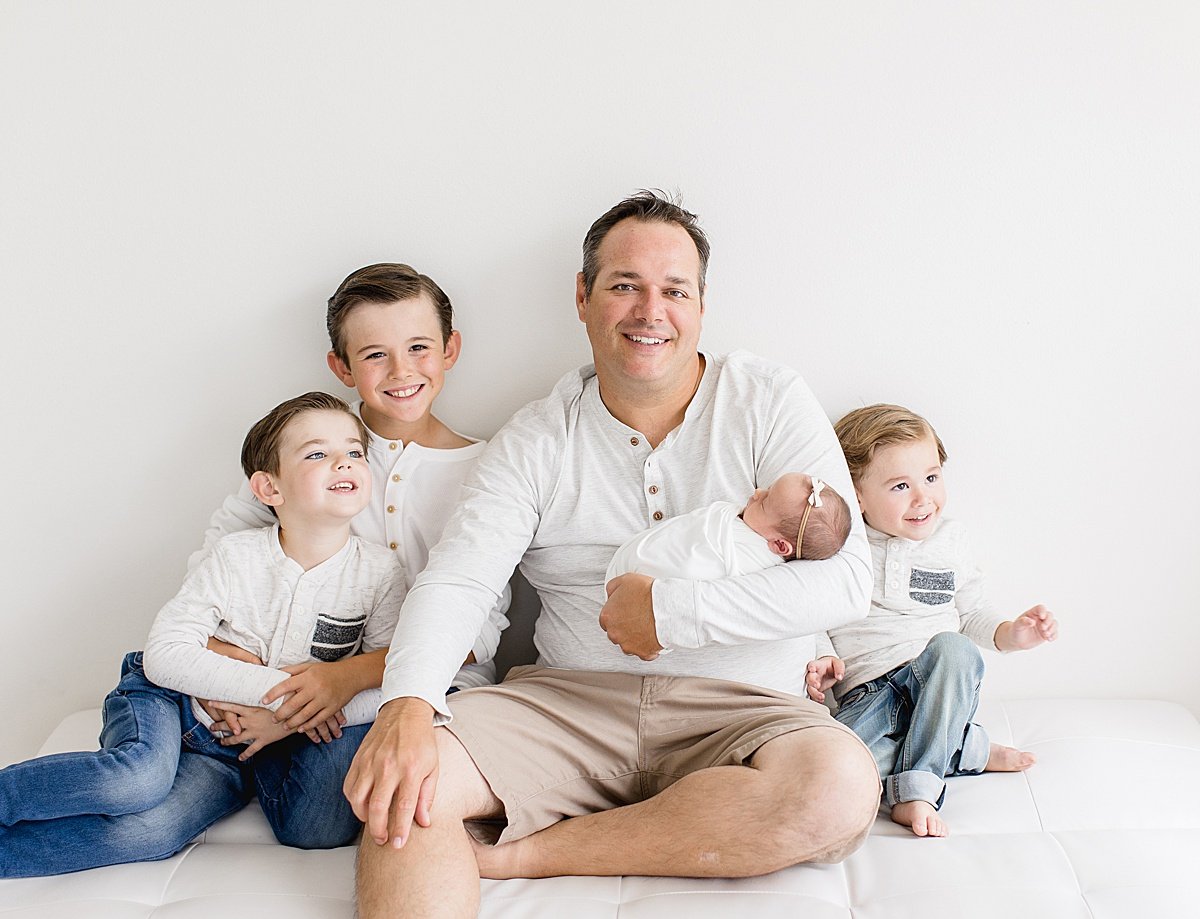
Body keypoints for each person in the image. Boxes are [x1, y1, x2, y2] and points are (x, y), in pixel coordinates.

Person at [345, 190, 883, 919]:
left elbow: (848, 580)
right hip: (566, 704)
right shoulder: (536, 437)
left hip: (750, 712)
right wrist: (408, 704)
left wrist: (673, 612)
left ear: (700, 304)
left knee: (839, 787)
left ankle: (526, 853)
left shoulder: (768, 400)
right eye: (625, 285)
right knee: (409, 786)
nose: (649, 311)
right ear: (583, 296)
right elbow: (462, 579)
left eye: (674, 290)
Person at [0, 392, 404, 877]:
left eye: (354, 451)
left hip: (241, 754)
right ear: (269, 488)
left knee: (156, 831)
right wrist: (285, 700)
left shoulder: (380, 572)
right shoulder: (235, 556)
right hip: (172, 703)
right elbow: (166, 654)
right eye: (317, 453)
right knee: (136, 782)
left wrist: (288, 721)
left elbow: (388, 675)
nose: (343, 461)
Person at [194, 263, 509, 692]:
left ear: (449, 349)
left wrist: (346, 678)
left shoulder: (490, 469)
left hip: (444, 688)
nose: (401, 371)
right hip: (293, 682)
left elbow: (481, 625)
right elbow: (218, 557)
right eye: (375, 354)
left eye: (418, 347)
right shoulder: (308, 449)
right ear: (342, 368)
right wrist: (250, 678)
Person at [805, 403, 1059, 838]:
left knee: (954, 647)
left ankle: (917, 790)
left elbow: (973, 613)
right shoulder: (841, 545)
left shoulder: (950, 541)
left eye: (932, 477)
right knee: (827, 761)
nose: (923, 498)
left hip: (937, 686)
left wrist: (1014, 634)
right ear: (857, 495)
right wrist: (823, 656)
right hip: (869, 695)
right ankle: (964, 748)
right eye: (900, 485)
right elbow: (813, 612)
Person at [606, 473, 852, 585]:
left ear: (778, 545)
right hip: (629, 566)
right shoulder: (751, 524)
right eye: (766, 489)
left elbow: (694, 573)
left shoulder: (748, 561)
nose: (757, 493)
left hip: (645, 576)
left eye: (764, 502)